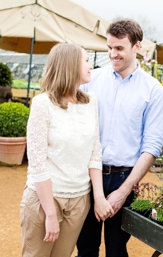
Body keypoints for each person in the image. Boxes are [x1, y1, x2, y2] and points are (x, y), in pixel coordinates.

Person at [76, 18, 163, 257]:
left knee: (116, 250)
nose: (112, 54)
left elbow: (152, 146)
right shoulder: (90, 81)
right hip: (87, 177)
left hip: (124, 178)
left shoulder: (153, 90)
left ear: (137, 47)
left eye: (119, 48)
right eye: (109, 47)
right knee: (85, 248)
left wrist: (124, 191)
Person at [21, 44, 112, 257]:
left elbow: (94, 152)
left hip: (80, 201)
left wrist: (98, 197)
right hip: (45, 200)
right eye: (87, 60)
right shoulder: (42, 104)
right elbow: (37, 163)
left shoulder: (91, 102)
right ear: (70, 65)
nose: (91, 66)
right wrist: (50, 214)